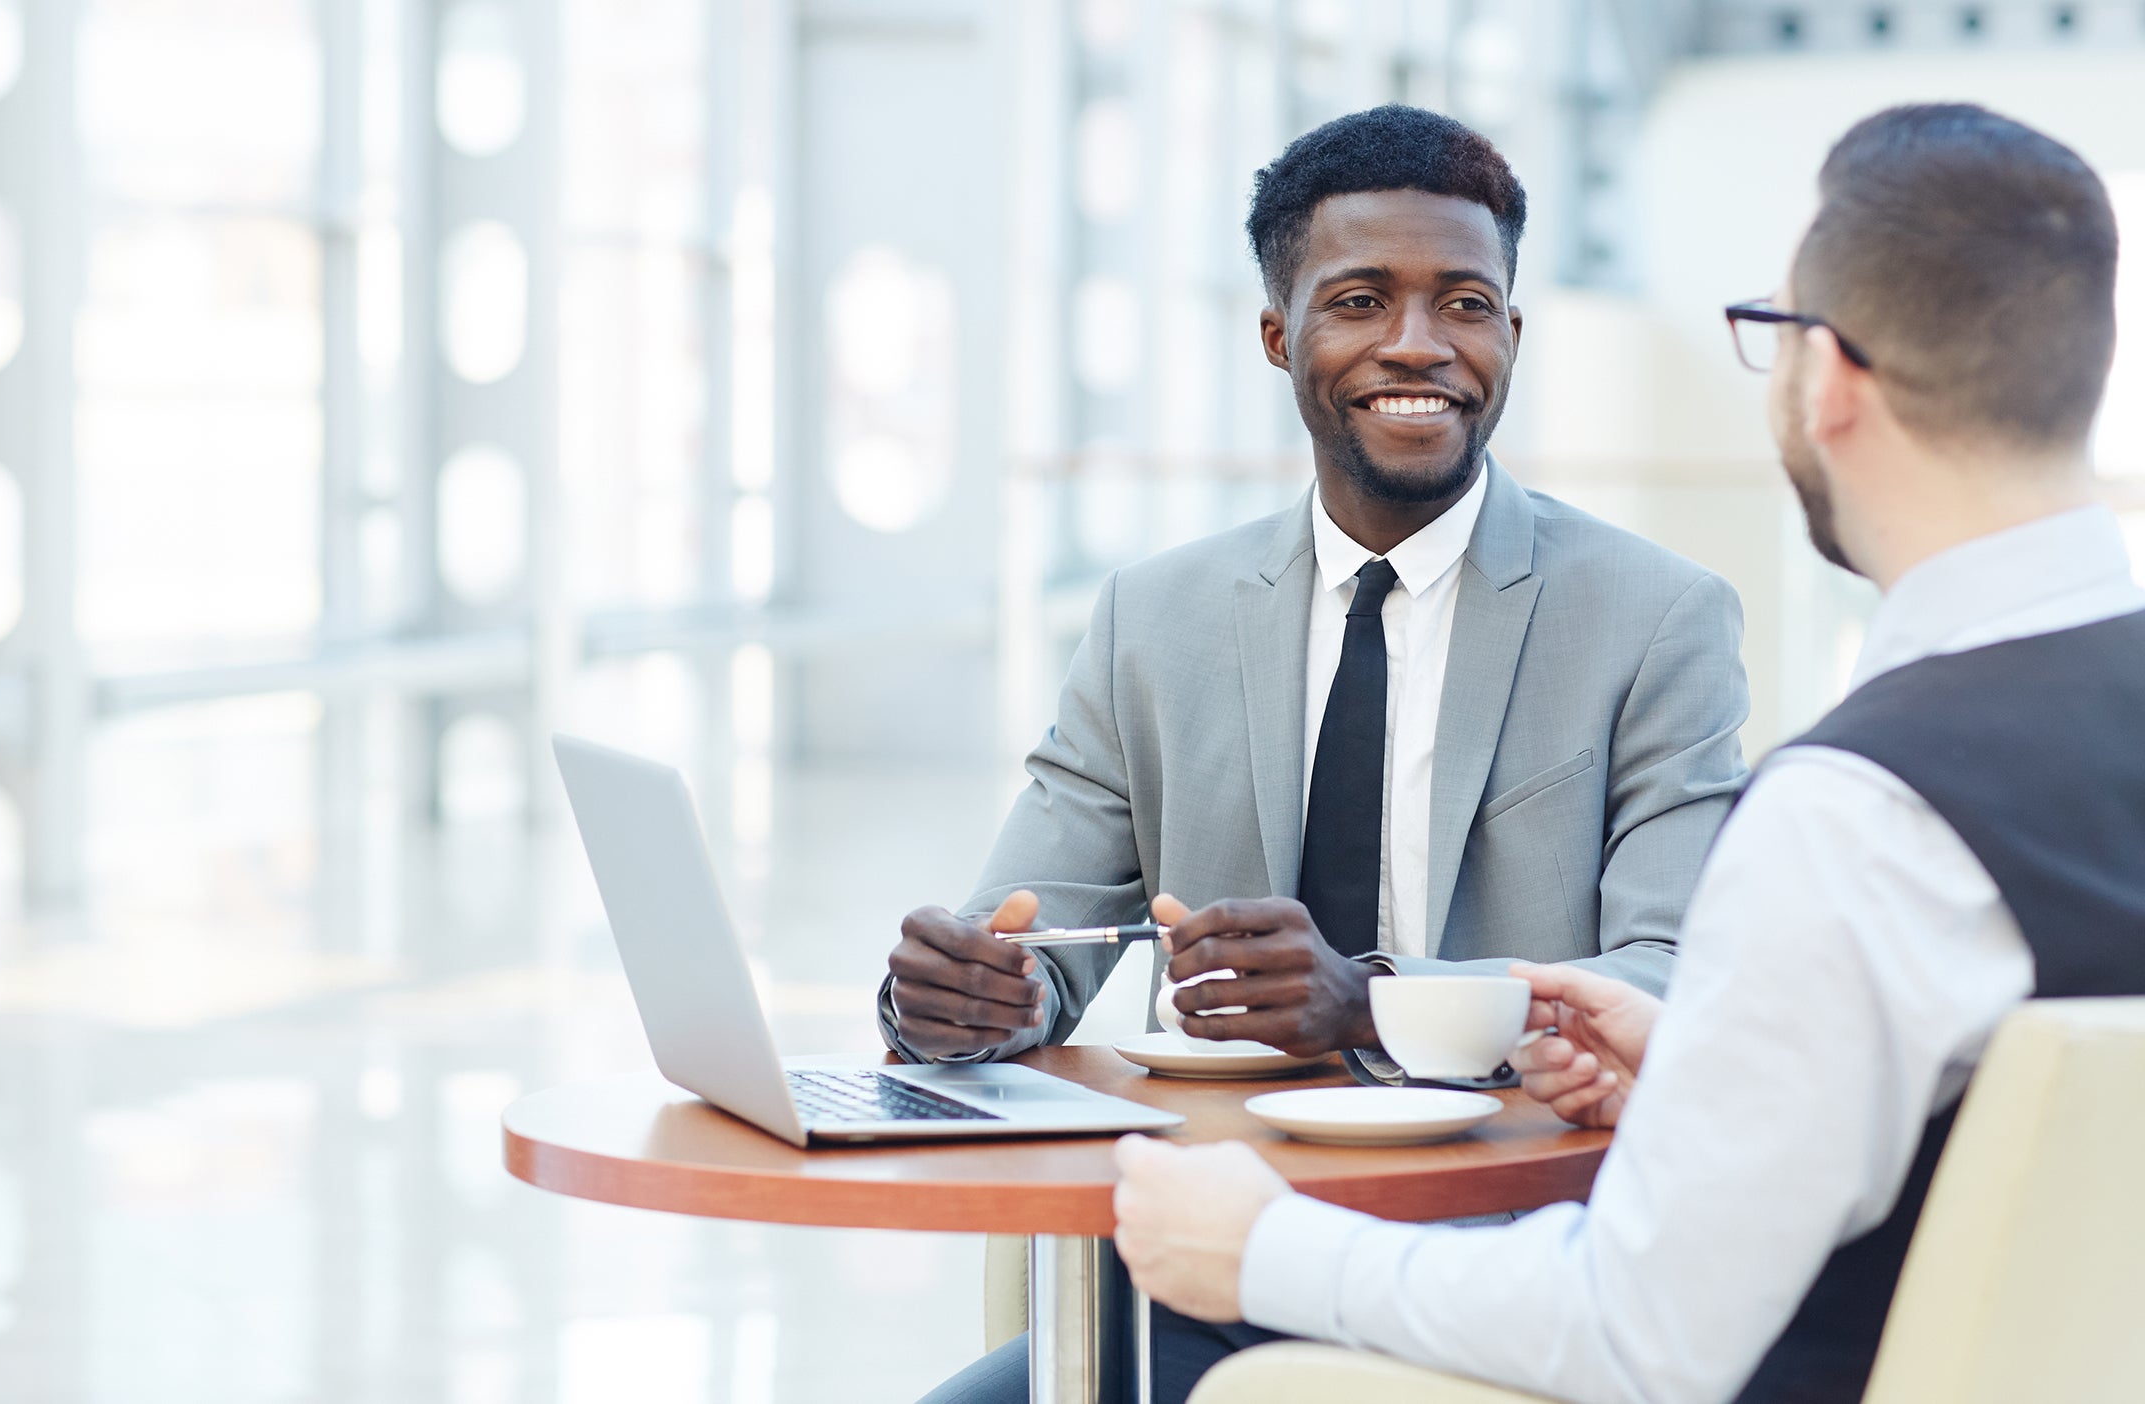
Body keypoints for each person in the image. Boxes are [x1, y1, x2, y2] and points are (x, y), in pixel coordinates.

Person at [1112, 102, 2145, 1404]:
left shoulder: (1864, 809)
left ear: (1825, 376)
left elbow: (1637, 1335)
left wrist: (1258, 1244)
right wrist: (1703, 1064)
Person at [896, 105, 1750, 1402]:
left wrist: (1374, 999)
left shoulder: (1656, 618)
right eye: (1361, 300)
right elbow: (1034, 939)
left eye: (1465, 303)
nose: (1420, 345)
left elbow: (1668, 977)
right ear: (1279, 335)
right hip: (1204, 1261)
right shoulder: (1156, 617)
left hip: (1518, 1265)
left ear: (1510, 336)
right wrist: (963, 996)